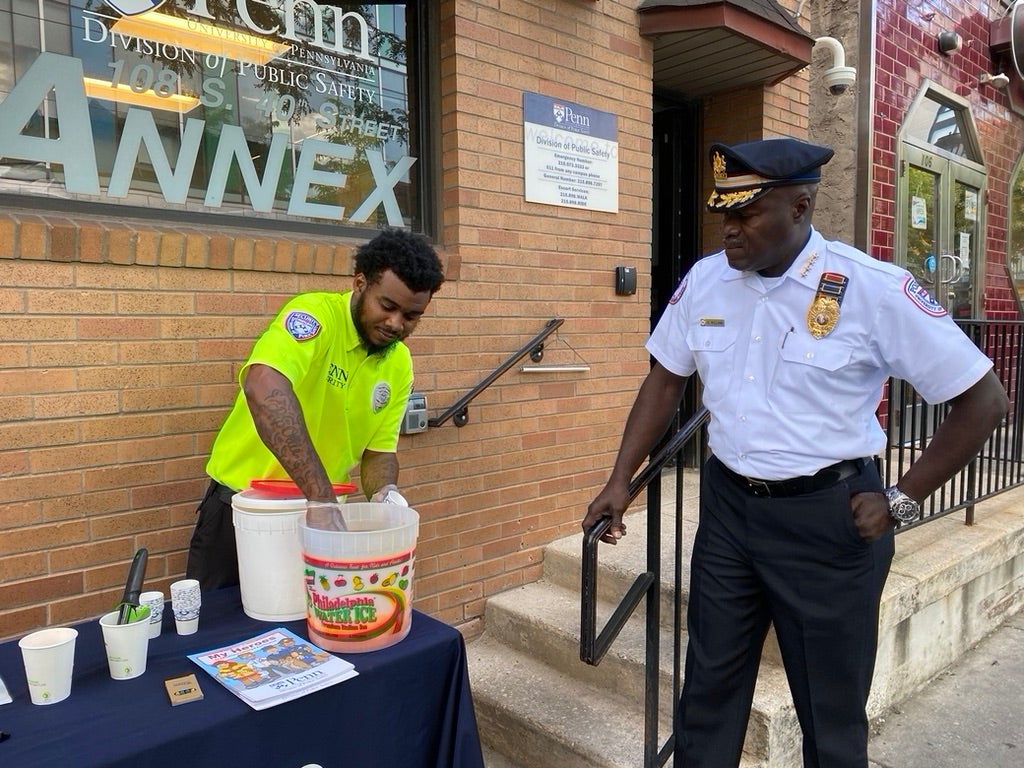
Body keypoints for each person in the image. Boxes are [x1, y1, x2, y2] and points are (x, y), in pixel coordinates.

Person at [582, 138, 1008, 768]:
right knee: (707, 695)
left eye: (747, 214)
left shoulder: (872, 289)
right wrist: (623, 479)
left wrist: (902, 498)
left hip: (829, 520)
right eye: (724, 213)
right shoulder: (706, 280)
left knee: (830, 718)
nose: (729, 229)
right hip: (729, 511)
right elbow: (666, 377)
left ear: (801, 206)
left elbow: (985, 400)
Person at [186, 228, 445, 589]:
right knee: (221, 635)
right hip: (245, 512)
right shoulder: (313, 317)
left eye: (411, 316)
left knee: (312, 634)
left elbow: (379, 452)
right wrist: (320, 497)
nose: (396, 324)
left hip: (324, 522)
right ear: (359, 283)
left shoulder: (399, 363)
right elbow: (264, 387)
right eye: (387, 306)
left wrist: (387, 493)